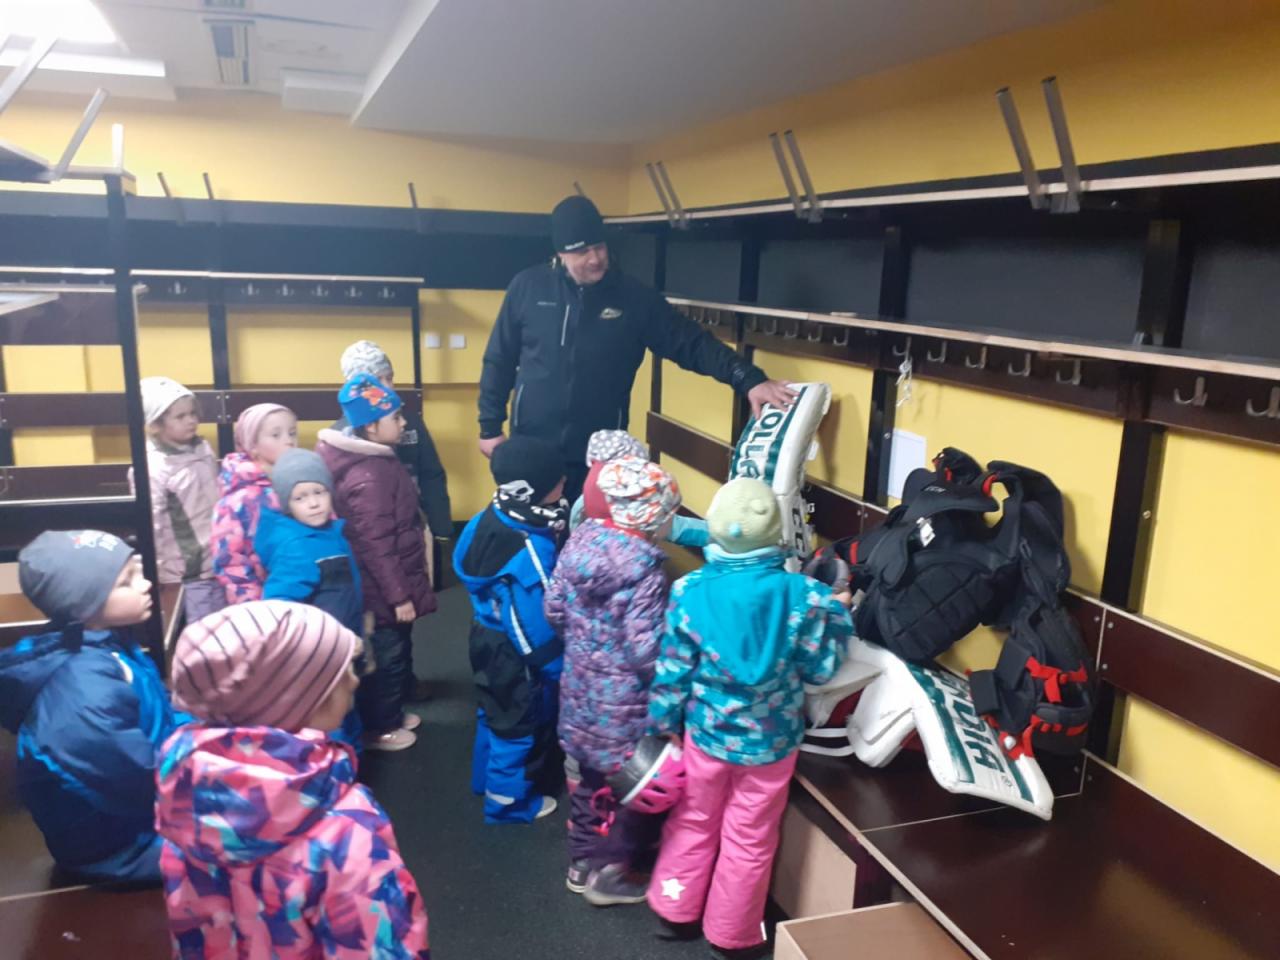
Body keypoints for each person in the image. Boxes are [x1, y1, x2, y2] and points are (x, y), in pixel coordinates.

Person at [645, 478, 853, 960]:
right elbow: (820, 669)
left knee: (693, 821)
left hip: (705, 736)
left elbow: (672, 670)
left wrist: (662, 723)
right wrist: (839, 613)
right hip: (772, 744)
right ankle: (732, 934)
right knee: (751, 837)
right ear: (775, 535)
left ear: (714, 531)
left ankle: (675, 911)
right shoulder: (804, 596)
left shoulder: (689, 590)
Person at [477, 194, 797, 500]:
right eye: (583, 251)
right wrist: (490, 427)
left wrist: (748, 378)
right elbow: (499, 359)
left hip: (601, 457)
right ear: (561, 253)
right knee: (529, 535)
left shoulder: (634, 299)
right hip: (532, 450)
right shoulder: (527, 287)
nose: (595, 259)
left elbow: (692, 343)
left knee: (594, 537)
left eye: (599, 247)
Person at [158, 600, 430, 960]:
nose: (354, 680)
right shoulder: (345, 830)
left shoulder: (185, 801)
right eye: (341, 672)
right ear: (296, 698)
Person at [0, 530, 189, 884]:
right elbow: (126, 776)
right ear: (83, 604)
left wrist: (202, 732)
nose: (146, 584)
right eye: (126, 582)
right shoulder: (81, 689)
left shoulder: (107, 644)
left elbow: (156, 712)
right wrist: (206, 780)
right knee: (254, 842)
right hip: (118, 845)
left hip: (147, 801)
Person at [546, 457, 682, 906]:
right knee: (633, 788)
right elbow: (645, 651)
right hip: (624, 705)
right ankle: (612, 873)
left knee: (589, 781)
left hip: (580, 690)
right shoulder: (645, 572)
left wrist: (586, 648)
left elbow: (554, 611)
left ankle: (581, 861)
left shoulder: (579, 544)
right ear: (652, 517)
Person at [317, 375, 435, 752]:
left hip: (386, 580)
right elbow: (376, 544)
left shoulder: (376, 460)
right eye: (395, 417)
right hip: (381, 587)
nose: (403, 423)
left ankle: (391, 713)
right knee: (386, 657)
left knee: (395, 648)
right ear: (371, 426)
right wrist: (399, 596)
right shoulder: (368, 475)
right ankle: (381, 727)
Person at [453, 436, 567, 824]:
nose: (564, 483)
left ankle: (483, 780)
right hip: (514, 653)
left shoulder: (497, 511)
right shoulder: (529, 550)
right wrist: (555, 668)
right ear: (535, 489)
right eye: (558, 480)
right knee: (517, 726)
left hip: (484, 633)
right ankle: (507, 805)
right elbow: (533, 624)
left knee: (493, 711)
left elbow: (463, 554)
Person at [256, 446, 365, 750]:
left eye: (319, 492)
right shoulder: (297, 546)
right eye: (300, 498)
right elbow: (279, 609)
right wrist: (325, 639)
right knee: (329, 719)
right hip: (319, 653)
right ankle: (336, 766)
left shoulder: (329, 533)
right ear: (287, 504)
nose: (314, 503)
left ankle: (351, 759)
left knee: (346, 706)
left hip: (341, 642)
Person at [336, 339, 452, 541]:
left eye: (389, 378)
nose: (387, 387)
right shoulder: (343, 436)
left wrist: (441, 527)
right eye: (377, 381)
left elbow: (431, 474)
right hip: (369, 535)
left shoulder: (410, 422)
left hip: (414, 525)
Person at [135, 376, 224, 622]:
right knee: (201, 630)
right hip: (187, 572)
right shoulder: (152, 467)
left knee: (224, 624)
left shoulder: (202, 448)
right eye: (180, 416)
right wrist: (156, 570)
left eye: (193, 413)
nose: (191, 420)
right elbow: (151, 522)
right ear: (155, 424)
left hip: (218, 558)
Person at [211, 402, 299, 604]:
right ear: (252, 445)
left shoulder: (303, 481)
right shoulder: (237, 499)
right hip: (265, 602)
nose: (289, 441)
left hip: (308, 596)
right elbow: (230, 561)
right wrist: (254, 606)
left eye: (292, 433)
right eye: (276, 435)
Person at [571, 429, 709, 548]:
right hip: (631, 556)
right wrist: (717, 532)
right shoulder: (636, 503)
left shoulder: (585, 497)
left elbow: (575, 524)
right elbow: (676, 527)